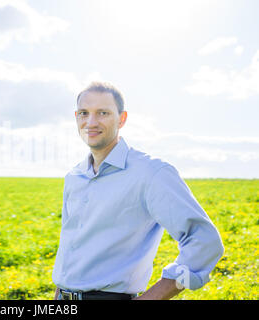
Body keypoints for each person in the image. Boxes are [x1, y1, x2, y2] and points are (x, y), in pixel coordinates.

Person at [52, 82, 224, 300]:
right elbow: (69, 248)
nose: (91, 122)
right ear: (76, 117)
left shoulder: (151, 173)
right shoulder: (74, 176)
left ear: (121, 119)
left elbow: (205, 241)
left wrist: (153, 297)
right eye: (84, 113)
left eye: (103, 113)